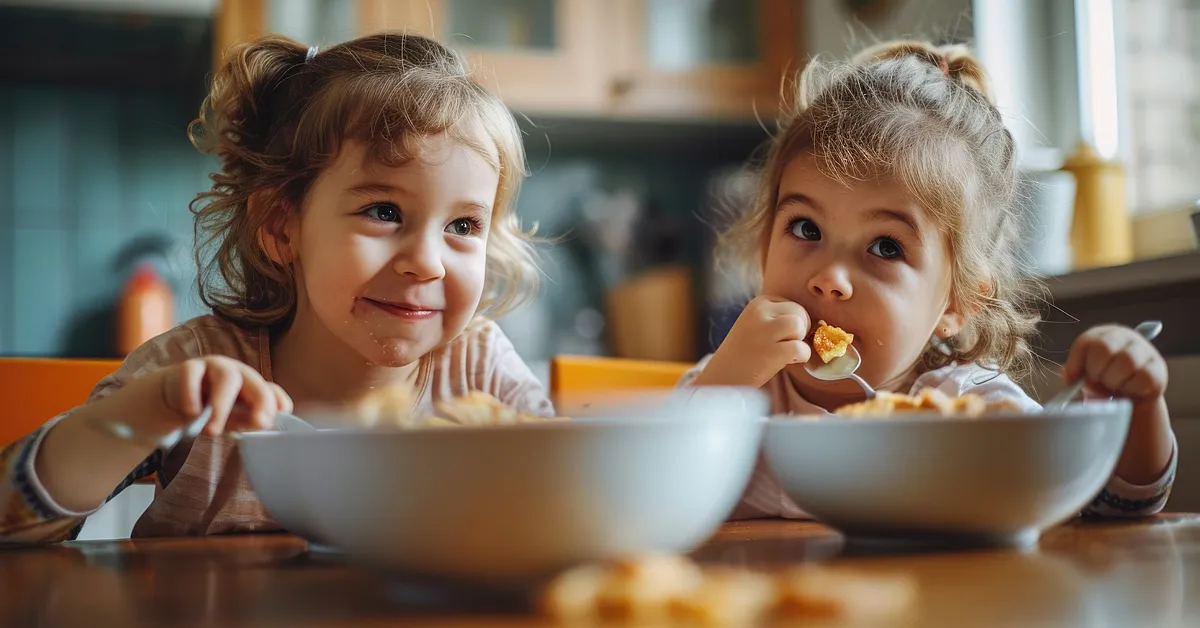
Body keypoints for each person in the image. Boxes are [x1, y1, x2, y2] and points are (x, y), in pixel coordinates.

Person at [0, 32, 550, 544]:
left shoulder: (480, 370)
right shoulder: (197, 370)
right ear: (282, 227)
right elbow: (11, 520)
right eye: (384, 212)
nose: (426, 264)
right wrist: (151, 412)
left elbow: (570, 502)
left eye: (463, 225)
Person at [683, 40, 1175, 520]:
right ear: (764, 247)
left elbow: (1109, 505)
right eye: (806, 229)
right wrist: (723, 388)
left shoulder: (970, 412)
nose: (830, 278)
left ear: (956, 304)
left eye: (886, 247)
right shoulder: (731, 387)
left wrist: (1138, 411)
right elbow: (650, 494)